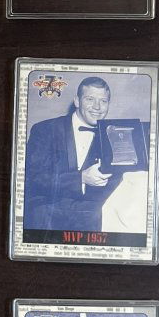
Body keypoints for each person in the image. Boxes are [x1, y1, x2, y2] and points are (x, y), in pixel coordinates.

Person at [24, 76, 122, 233]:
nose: (97, 107)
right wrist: (81, 178)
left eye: (103, 101)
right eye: (90, 99)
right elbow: (32, 178)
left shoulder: (114, 135)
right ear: (77, 101)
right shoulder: (45, 129)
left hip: (91, 223)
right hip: (47, 218)